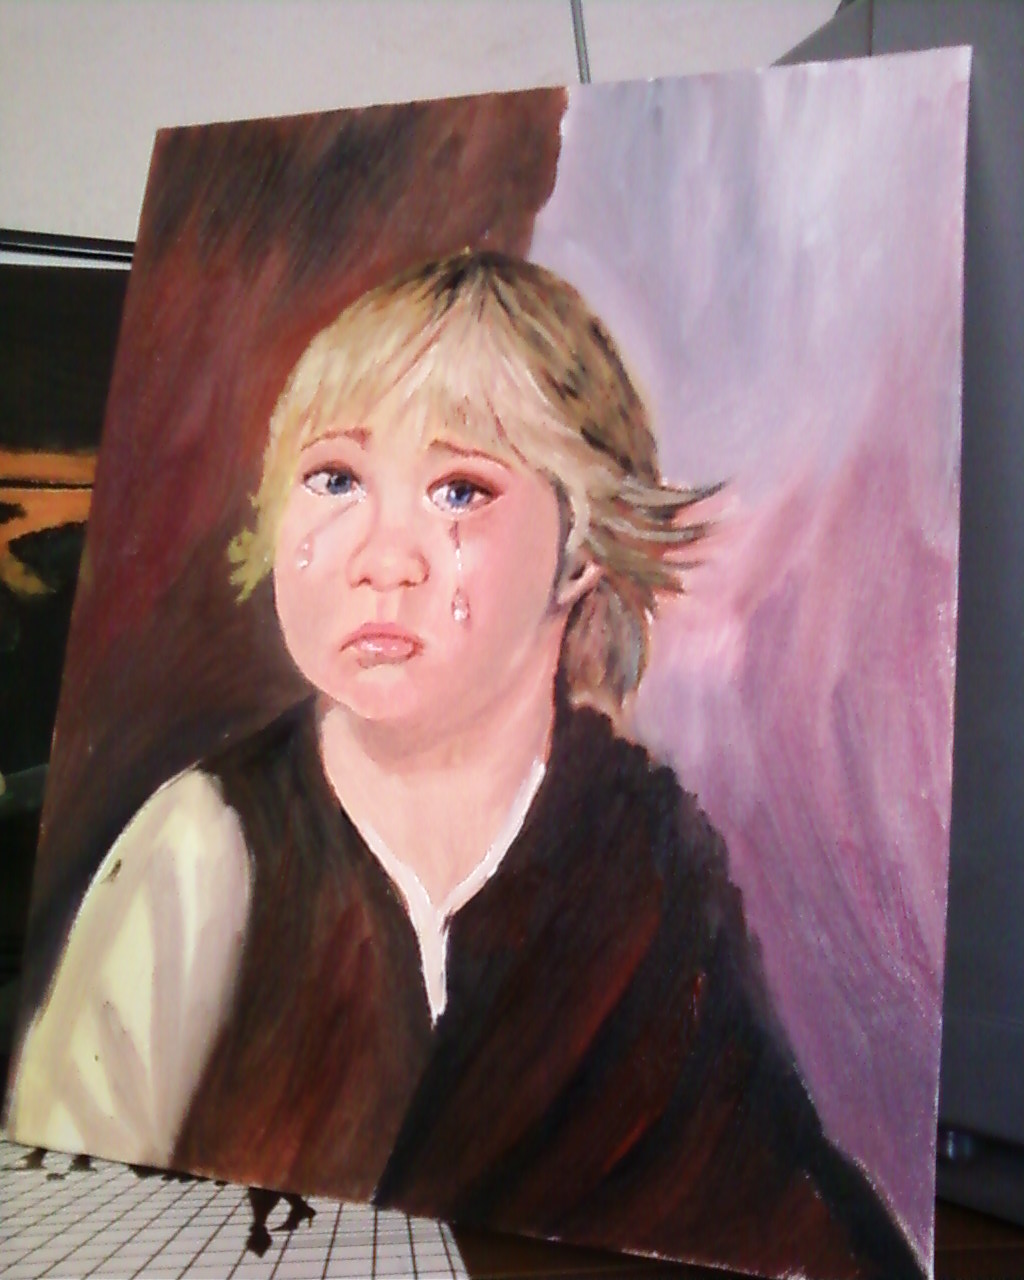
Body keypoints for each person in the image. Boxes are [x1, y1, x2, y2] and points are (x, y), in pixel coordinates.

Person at [7, 251, 923, 1278]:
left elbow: (789, 1209)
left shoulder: (648, 860)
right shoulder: (204, 848)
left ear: (579, 549)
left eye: (458, 490)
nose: (381, 556)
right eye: (335, 479)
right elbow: (54, 1208)